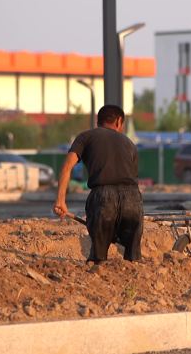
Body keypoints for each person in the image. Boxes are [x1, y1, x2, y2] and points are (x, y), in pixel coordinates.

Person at [53, 105, 143, 262]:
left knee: (98, 261)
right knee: (133, 260)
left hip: (103, 197)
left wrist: (60, 200)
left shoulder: (86, 137)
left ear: (98, 121)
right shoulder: (130, 144)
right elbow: (134, 178)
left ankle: (97, 271)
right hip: (133, 199)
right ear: (119, 121)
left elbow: (67, 167)